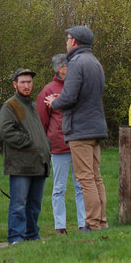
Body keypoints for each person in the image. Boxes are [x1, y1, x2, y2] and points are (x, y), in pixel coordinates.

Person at [45, 26, 108, 231]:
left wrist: (54, 102)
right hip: (96, 126)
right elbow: (88, 95)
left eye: (68, 38)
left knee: (85, 178)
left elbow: (70, 96)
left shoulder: (76, 63)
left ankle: (91, 223)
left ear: (75, 41)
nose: (66, 41)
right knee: (96, 177)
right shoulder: (95, 62)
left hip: (80, 130)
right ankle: (101, 221)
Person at [0, 67, 50, 245]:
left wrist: (44, 146)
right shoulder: (10, 106)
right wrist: (28, 142)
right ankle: (15, 238)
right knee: (18, 204)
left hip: (39, 163)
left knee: (34, 205)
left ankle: (32, 234)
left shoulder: (34, 106)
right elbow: (5, 130)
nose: (26, 85)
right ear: (15, 84)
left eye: (29, 82)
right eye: (23, 82)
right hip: (21, 164)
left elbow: (40, 132)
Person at [37, 54, 86, 234]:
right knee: (59, 188)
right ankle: (60, 226)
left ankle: (84, 223)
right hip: (59, 146)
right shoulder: (48, 90)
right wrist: (45, 143)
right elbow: (42, 119)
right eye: (69, 65)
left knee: (81, 185)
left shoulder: (77, 87)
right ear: (61, 68)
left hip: (79, 142)